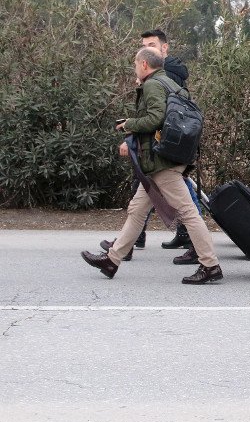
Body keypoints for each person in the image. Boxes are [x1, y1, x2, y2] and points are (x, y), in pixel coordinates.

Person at [82, 47, 223, 284]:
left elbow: (156, 118)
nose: (135, 67)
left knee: (188, 213)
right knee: (137, 210)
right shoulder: (172, 85)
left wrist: (130, 124)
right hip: (166, 159)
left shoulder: (152, 85)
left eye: (136, 63)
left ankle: (210, 265)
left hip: (161, 163)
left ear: (144, 64)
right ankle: (112, 260)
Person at [101, 29, 200, 263]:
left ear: (164, 48)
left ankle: (205, 257)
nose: (148, 48)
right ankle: (118, 255)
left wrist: (130, 131)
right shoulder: (159, 78)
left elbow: (158, 117)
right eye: (145, 44)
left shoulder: (161, 79)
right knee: (139, 204)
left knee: (185, 208)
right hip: (161, 151)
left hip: (162, 153)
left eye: (152, 44)